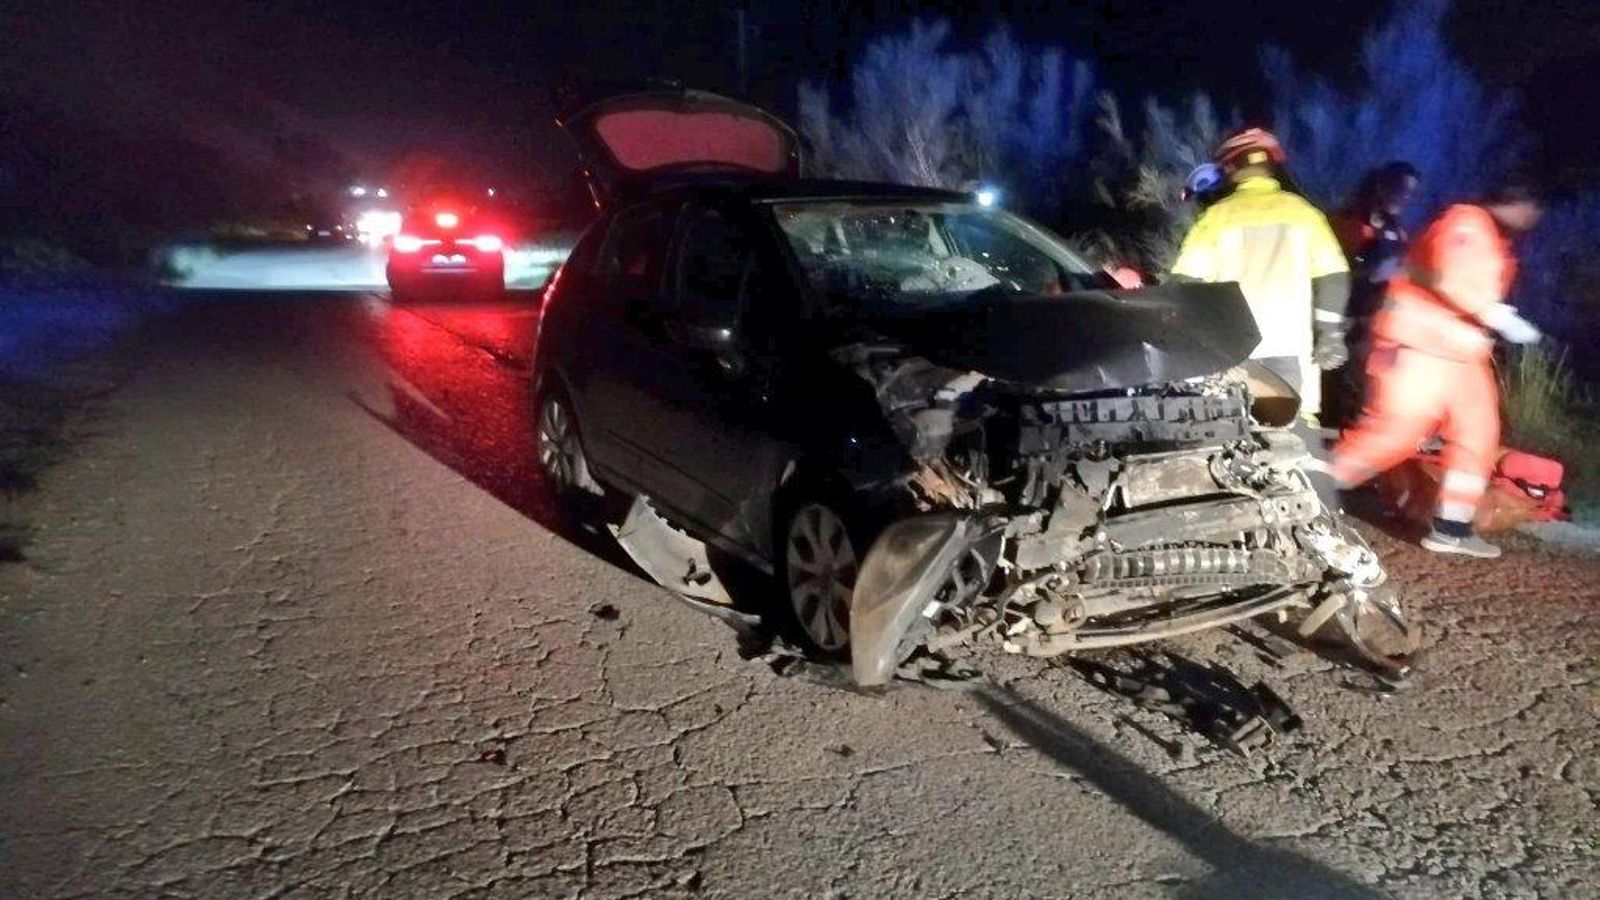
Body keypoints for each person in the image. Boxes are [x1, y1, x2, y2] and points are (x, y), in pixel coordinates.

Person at [1330, 182, 1544, 558]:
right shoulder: (1465, 222)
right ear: (1509, 202)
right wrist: (1493, 312)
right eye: (1529, 207)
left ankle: (1453, 527)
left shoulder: (1492, 239)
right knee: (1394, 435)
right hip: (1419, 347)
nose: (1532, 218)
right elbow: (1448, 277)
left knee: (1478, 436)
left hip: (1460, 353)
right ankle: (1309, 491)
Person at [1171, 128, 1351, 418]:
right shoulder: (1303, 213)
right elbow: (1333, 275)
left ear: (1230, 168)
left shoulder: (1216, 217)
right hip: (1289, 346)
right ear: (1272, 167)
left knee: (1229, 434)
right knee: (1295, 436)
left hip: (1233, 350)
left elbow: (1184, 283)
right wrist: (1329, 333)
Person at [1326, 161, 1422, 424]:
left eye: (1409, 192)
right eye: (1399, 188)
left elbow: (1404, 272)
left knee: (1361, 386)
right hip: (1340, 318)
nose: (1403, 197)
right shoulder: (1349, 220)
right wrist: (1369, 271)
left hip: (1372, 323)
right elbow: (1328, 270)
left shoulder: (1396, 232)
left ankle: (1347, 432)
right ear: (1382, 185)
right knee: (1333, 383)